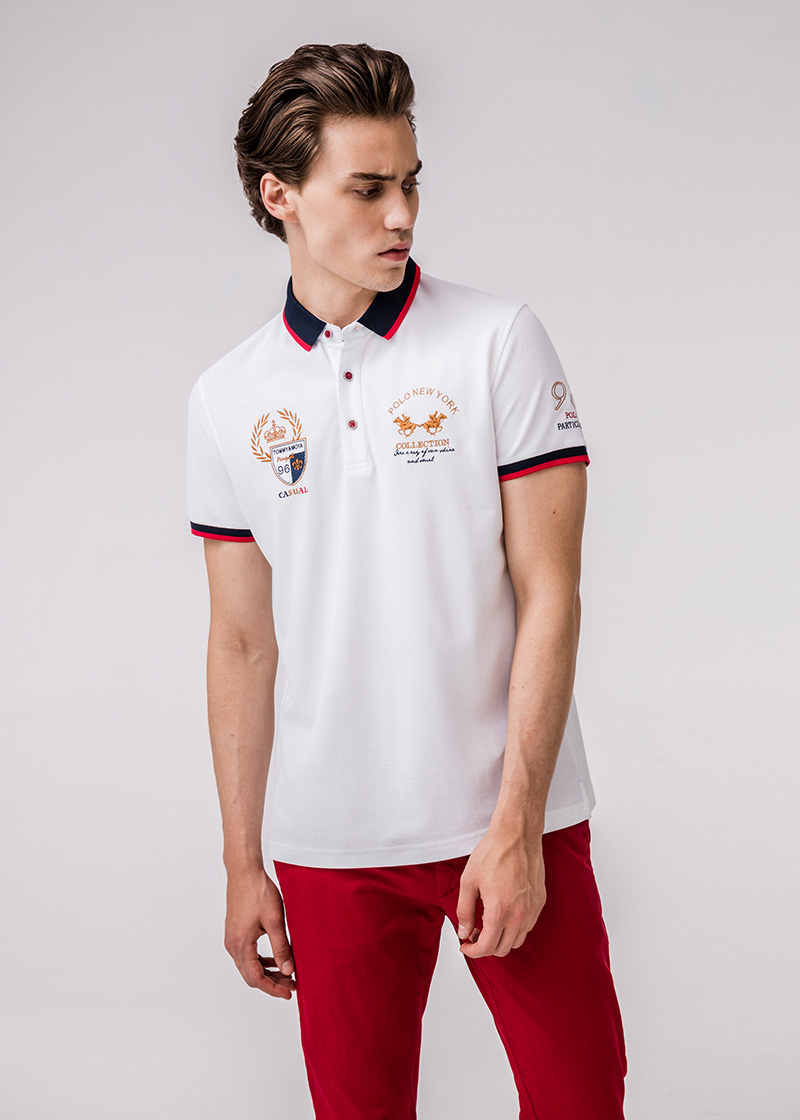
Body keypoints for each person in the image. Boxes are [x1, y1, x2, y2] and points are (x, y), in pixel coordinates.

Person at [186, 41, 627, 1119]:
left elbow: (551, 593)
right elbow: (241, 641)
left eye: (411, 183)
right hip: (331, 840)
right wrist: (243, 862)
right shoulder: (226, 397)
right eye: (368, 188)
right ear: (280, 195)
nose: (402, 215)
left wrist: (515, 821)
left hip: (509, 819)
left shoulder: (497, 342)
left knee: (581, 1101)